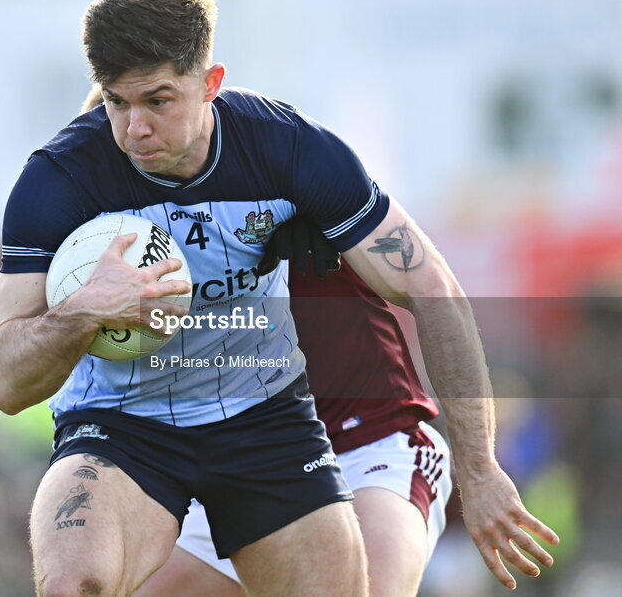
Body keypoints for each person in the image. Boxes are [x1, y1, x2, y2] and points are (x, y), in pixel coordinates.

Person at [0, 0, 557, 597]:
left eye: (157, 100)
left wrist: (480, 470)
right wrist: (82, 311)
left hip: (270, 421)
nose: (133, 129)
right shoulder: (61, 179)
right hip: (123, 425)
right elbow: (3, 384)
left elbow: (434, 289)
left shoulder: (290, 151)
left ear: (211, 84)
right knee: (72, 584)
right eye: (118, 103)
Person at [75, 89, 451, 597]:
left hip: (367, 442)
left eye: (151, 114)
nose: (134, 140)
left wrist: (484, 467)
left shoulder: (284, 174)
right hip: (253, 463)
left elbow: (433, 290)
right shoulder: (111, 251)